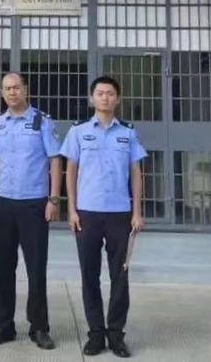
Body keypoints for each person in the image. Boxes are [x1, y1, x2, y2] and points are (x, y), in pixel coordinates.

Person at [60, 76, 147, 358]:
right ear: (91, 98)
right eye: (100, 93)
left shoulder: (128, 133)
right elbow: (70, 171)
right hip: (87, 212)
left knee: (120, 276)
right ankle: (96, 334)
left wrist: (137, 212)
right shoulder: (79, 131)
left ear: (117, 99)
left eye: (110, 93)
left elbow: (135, 172)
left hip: (119, 213)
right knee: (90, 275)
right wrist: (71, 210)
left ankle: (116, 335)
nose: (105, 98)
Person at [0, 72, 61, 350]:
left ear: (25, 89)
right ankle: (3, 326)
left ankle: (39, 327)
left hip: (33, 203)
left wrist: (53, 199)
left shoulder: (42, 121)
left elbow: (54, 160)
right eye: (7, 88)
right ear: (2, 93)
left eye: (16, 87)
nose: (12, 92)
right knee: (2, 267)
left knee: (36, 268)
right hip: (3, 203)